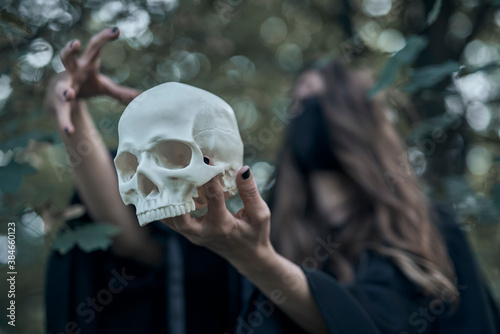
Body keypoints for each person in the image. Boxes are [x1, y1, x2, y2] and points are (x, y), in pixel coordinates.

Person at [44, 28, 500, 334]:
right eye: (297, 103)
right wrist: (74, 113)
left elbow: (372, 321)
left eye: (319, 98)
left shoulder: (429, 229)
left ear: (361, 117)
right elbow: (135, 239)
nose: (305, 110)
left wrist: (260, 261)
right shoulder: (257, 222)